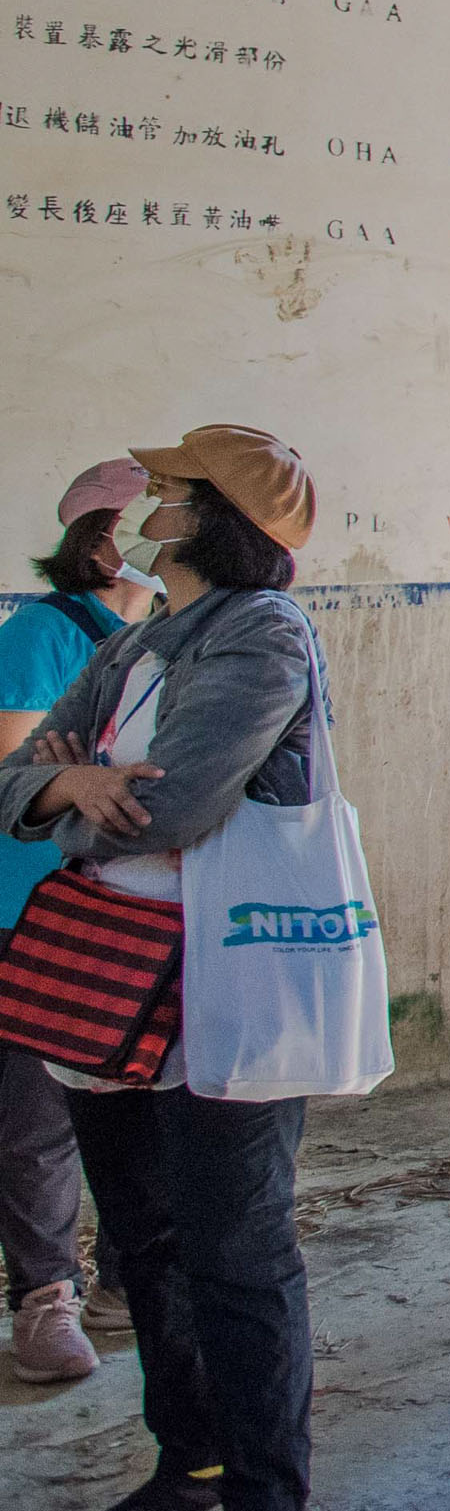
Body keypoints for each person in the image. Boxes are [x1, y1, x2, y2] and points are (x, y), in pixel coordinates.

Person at [1, 425, 341, 1511]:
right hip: (112, 986)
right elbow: (10, 782)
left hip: (221, 993)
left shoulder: (263, 635)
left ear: (220, 515)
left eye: (172, 486)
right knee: (142, 1242)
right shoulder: (141, 639)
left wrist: (72, 791)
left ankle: (268, 1509)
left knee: (237, 1255)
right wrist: (60, 783)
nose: (149, 497)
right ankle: (187, 1463)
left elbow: (180, 803)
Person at [0, 456, 156, 1386]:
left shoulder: (156, 641)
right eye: (142, 530)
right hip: (32, 908)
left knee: (129, 1102)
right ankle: (43, 1295)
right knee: (34, 1112)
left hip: (122, 906)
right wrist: (81, 777)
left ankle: (122, 1287)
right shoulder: (42, 632)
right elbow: (15, 769)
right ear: (97, 544)